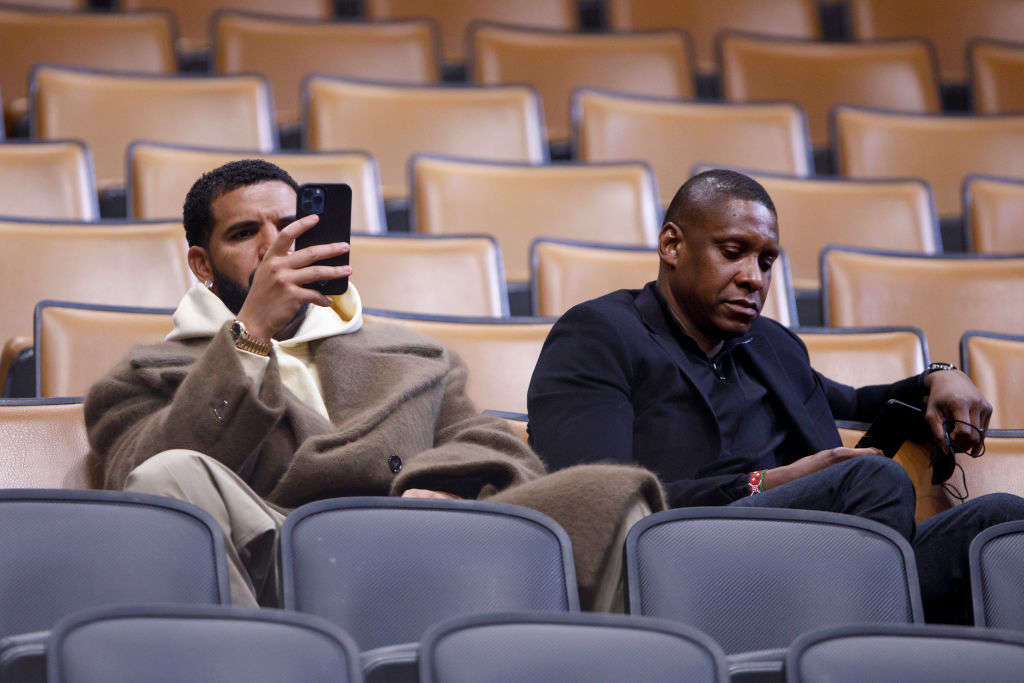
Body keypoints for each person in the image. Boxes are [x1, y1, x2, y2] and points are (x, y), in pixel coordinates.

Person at [85, 160, 663, 610]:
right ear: (202, 265)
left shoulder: (413, 355)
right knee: (170, 474)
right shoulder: (146, 373)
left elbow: (494, 443)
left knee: (609, 494)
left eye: (289, 226)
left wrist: (442, 484)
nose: (275, 246)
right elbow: (146, 484)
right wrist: (250, 334)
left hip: (425, 540)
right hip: (286, 548)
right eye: (244, 233)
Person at [527, 169, 1024, 625]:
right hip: (685, 559)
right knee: (873, 478)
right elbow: (594, 496)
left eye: (766, 262)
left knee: (999, 522)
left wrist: (941, 374)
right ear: (672, 245)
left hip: (813, 560)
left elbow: (856, 404)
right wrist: (765, 482)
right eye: (732, 252)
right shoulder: (600, 334)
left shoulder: (771, 345)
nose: (754, 277)